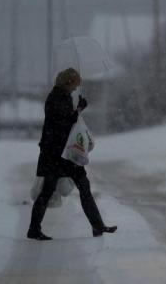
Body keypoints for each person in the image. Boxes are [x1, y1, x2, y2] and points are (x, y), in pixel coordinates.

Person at [27, 68, 117, 241]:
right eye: (75, 84)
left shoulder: (62, 97)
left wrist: (76, 110)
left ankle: (98, 226)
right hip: (56, 154)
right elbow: (63, 124)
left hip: (64, 153)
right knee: (48, 191)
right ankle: (34, 229)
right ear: (67, 82)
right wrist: (78, 110)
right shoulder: (55, 98)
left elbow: (65, 121)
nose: (76, 88)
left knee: (83, 187)